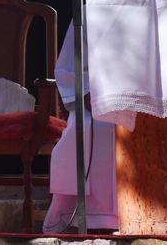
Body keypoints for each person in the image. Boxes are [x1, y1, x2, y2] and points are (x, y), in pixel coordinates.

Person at [42, 22, 118, 233]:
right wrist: (86, 91)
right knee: (88, 128)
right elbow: (68, 68)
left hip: (141, 103)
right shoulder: (87, 13)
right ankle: (84, 217)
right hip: (97, 102)